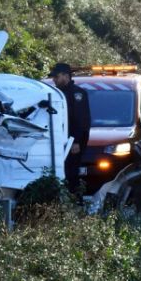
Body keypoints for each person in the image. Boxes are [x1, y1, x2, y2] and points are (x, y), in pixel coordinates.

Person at [50, 63, 91, 193]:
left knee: (72, 173)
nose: (54, 80)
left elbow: (80, 120)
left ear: (66, 76)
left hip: (72, 142)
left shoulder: (77, 94)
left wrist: (76, 141)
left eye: (57, 77)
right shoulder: (57, 93)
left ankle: (75, 201)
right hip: (59, 140)